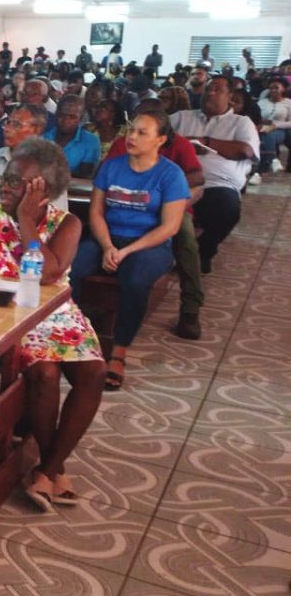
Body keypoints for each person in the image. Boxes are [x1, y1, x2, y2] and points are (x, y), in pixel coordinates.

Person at [0, 139, 105, 510]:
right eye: (6, 177)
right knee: (45, 374)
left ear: (42, 189)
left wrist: (27, 220)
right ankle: (52, 469)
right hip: (7, 316)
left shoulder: (68, 223)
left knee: (95, 371)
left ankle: (45, 469)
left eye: (17, 182)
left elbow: (48, 271)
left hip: (55, 313)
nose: (6, 186)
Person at [71, 109, 190, 389]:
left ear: (160, 140)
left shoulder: (171, 175)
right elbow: (96, 213)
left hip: (149, 244)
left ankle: (119, 351)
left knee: (134, 280)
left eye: (141, 133)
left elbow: (170, 227)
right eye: (131, 130)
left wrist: (125, 252)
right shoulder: (112, 166)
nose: (131, 137)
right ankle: (75, 337)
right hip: (108, 238)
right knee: (70, 267)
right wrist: (108, 246)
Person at [105, 98, 206, 340]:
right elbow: (109, 173)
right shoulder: (123, 144)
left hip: (167, 205)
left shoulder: (179, 145)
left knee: (186, 238)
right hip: (128, 204)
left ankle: (190, 307)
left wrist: (164, 190)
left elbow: (197, 177)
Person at [170, 77, 260, 272]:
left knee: (228, 208)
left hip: (217, 184)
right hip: (179, 179)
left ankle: (204, 250)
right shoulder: (182, 117)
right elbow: (159, 139)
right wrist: (186, 145)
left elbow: (246, 151)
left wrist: (205, 142)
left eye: (217, 89)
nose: (210, 92)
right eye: (208, 88)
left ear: (229, 97)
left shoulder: (241, 123)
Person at [44, 94, 100, 177]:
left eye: (72, 117)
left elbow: (85, 175)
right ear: (56, 114)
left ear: (81, 118)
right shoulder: (43, 138)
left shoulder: (90, 141)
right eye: (61, 115)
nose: (65, 121)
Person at [257, 78, 291, 174]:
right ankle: (272, 160)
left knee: (269, 135)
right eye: (271, 88)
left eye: (276, 88)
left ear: (283, 89)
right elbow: (255, 117)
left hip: (280, 130)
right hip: (261, 127)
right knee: (264, 133)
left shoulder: (288, 103)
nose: (273, 90)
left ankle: (266, 163)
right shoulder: (262, 102)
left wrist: (275, 125)